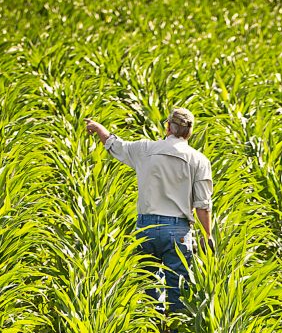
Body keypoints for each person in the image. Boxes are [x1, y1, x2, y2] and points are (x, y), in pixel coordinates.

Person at [85, 107, 213, 316]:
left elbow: (115, 145)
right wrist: (208, 235)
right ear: (189, 132)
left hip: (146, 227)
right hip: (178, 231)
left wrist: (99, 129)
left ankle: (152, 331)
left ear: (168, 127)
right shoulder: (199, 160)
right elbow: (202, 205)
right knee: (178, 289)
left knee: (148, 285)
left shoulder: (145, 149)